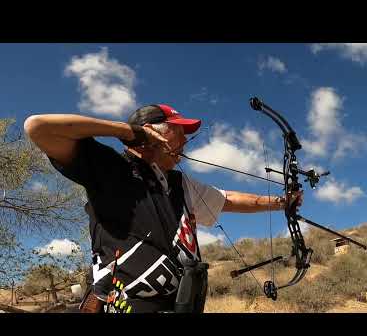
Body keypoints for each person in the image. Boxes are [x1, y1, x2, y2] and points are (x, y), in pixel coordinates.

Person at [24, 104, 302, 313]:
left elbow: (227, 199)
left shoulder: (179, 183)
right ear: (151, 133)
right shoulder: (110, 168)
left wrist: (281, 203)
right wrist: (126, 132)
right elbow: (38, 127)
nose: (183, 142)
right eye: (178, 132)